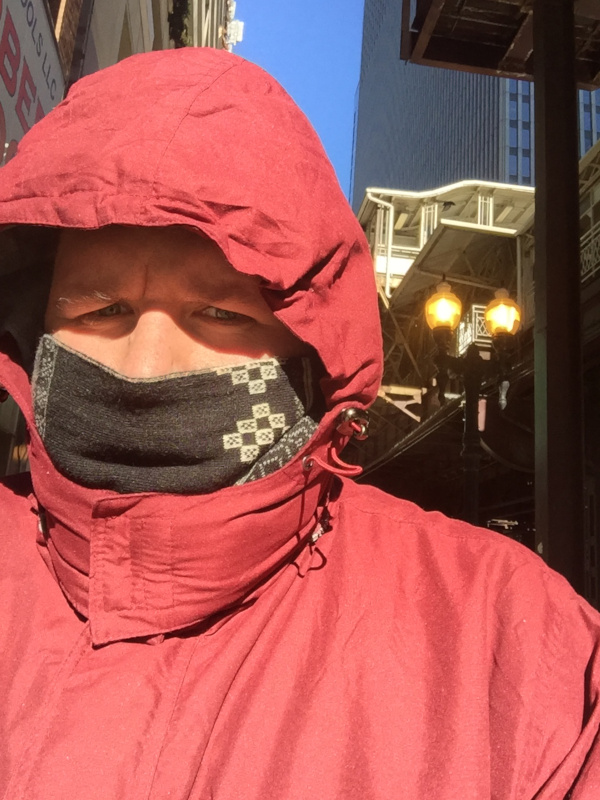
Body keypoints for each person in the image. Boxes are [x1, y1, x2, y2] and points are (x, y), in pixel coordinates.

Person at [0, 47, 599, 800]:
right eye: (100, 309)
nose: (145, 364)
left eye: (220, 313)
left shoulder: (511, 643)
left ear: (311, 352)